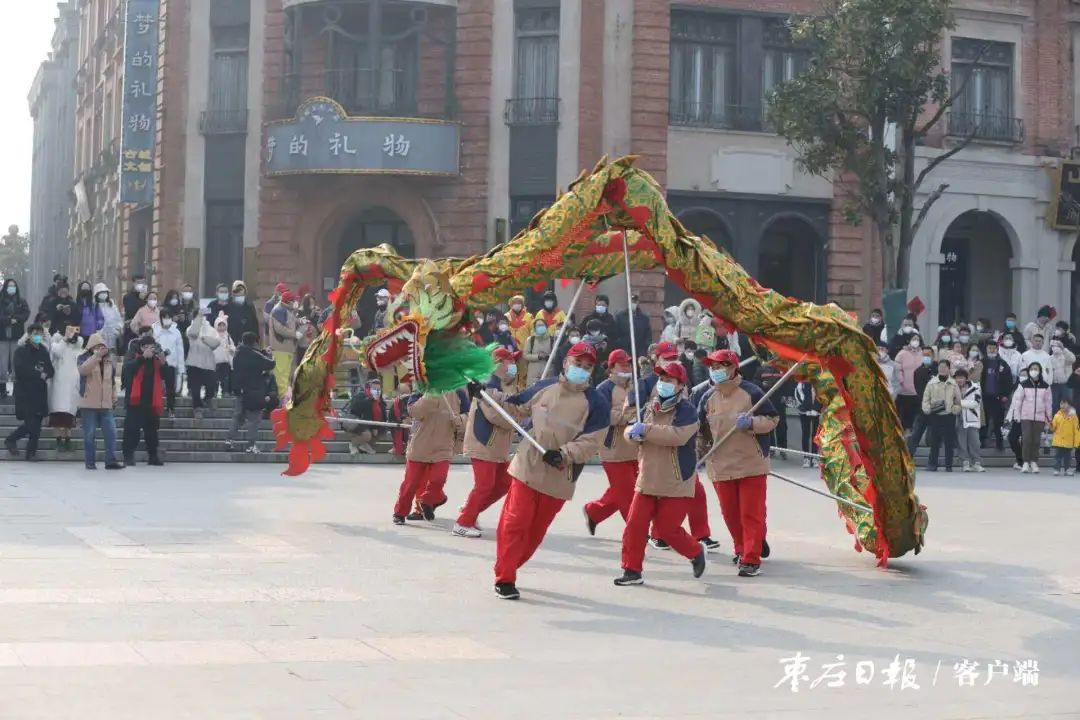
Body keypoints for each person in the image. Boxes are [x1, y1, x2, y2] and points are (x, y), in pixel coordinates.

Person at [480, 341, 609, 599]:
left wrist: (563, 454)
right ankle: (505, 577)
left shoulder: (597, 403)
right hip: (528, 466)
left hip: (561, 475)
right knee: (515, 522)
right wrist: (484, 393)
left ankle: (510, 564)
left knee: (535, 532)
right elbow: (513, 405)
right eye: (577, 363)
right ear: (566, 363)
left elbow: (591, 441)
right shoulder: (544, 387)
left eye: (587, 366)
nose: (581, 369)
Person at [614, 361, 707, 586]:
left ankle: (695, 551)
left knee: (667, 529)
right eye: (661, 379)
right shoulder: (648, 407)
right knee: (635, 526)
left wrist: (645, 431)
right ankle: (631, 570)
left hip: (676, 479)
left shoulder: (687, 410)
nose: (663, 384)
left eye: (669, 380)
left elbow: (677, 436)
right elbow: (631, 428)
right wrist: (631, 434)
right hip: (647, 475)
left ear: (680, 385)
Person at [696, 349, 778, 577]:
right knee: (730, 514)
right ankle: (743, 548)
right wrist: (697, 456)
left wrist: (752, 422)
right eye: (712, 367)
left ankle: (751, 559)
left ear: (733, 368)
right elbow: (701, 432)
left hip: (751, 463)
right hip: (720, 465)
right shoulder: (706, 397)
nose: (716, 371)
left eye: (720, 366)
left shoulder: (752, 392)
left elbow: (772, 419)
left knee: (750, 513)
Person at [454, 347, 521, 537]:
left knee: (505, 483)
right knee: (484, 485)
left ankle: (470, 511)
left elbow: (517, 409)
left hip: (499, 446)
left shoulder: (510, 386)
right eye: (510, 361)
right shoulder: (485, 387)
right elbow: (495, 416)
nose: (514, 366)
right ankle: (462, 523)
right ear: (498, 364)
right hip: (483, 442)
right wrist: (516, 419)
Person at [394, 384, 469, 525]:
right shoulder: (422, 388)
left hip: (444, 446)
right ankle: (400, 512)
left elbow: (468, 414)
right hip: (420, 445)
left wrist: (460, 420)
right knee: (410, 484)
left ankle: (427, 501)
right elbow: (414, 411)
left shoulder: (459, 391)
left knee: (439, 479)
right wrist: (430, 394)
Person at [583, 349, 638, 534]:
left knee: (625, 490)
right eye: (623, 364)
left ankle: (594, 511)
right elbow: (603, 417)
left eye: (629, 364)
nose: (627, 367)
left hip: (635, 447)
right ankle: (636, 530)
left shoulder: (635, 386)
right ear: (612, 367)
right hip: (613, 449)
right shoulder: (603, 389)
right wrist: (626, 415)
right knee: (627, 493)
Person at [5, 324, 54, 461]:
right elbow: (20, 370)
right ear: (29, 334)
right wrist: (38, 373)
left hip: (40, 393)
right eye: (35, 333)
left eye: (40, 333)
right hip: (25, 393)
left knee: (36, 426)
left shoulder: (43, 351)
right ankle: (11, 439)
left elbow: (50, 369)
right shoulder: (21, 351)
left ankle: (31, 453)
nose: (38, 336)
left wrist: (46, 374)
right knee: (30, 424)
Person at [77, 333, 123, 470]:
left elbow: (112, 382)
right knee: (89, 434)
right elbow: (83, 370)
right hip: (89, 403)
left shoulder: (109, 362)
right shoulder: (83, 358)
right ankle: (90, 462)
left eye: (102, 347)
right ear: (91, 347)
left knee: (111, 433)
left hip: (106, 404)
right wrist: (96, 357)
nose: (101, 349)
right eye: (97, 346)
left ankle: (110, 461)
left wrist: (114, 398)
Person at [228, 331, 276, 453]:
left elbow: (255, 355)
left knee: (238, 416)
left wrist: (263, 352)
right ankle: (251, 445)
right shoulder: (254, 355)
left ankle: (229, 440)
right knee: (254, 419)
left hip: (240, 390)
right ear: (254, 342)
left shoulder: (238, 353)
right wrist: (271, 355)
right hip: (253, 391)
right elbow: (270, 364)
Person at [122, 335, 166, 466]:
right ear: (141, 347)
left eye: (151, 347)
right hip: (134, 402)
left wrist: (164, 363)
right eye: (145, 347)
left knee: (152, 432)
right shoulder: (133, 356)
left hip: (151, 401)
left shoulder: (156, 360)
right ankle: (128, 456)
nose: (149, 350)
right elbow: (127, 369)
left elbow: (167, 376)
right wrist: (142, 358)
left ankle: (153, 456)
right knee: (131, 431)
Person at [1007, 361, 1053, 474]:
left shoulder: (1045, 386)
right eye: (1032, 369)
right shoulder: (1023, 385)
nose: (1034, 371)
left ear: (1040, 371)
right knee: (1026, 439)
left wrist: (1049, 419)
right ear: (1029, 371)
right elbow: (1018, 401)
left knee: (1036, 441)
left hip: (1040, 417)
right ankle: (1025, 462)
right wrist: (1017, 415)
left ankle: (1034, 462)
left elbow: (1048, 403)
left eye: (1036, 369)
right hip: (1026, 416)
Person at [47, 323, 84, 452]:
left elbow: (79, 343)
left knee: (69, 415)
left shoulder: (75, 345)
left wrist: (73, 336)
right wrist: (64, 339)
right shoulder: (56, 343)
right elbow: (57, 352)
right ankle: (58, 441)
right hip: (58, 383)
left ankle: (68, 441)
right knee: (57, 414)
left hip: (71, 383)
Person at [921, 359, 960, 472]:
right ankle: (932, 464)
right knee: (934, 441)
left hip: (949, 416)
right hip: (935, 415)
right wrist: (927, 409)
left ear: (949, 369)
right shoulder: (931, 383)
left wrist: (955, 409)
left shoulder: (953, 383)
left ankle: (949, 465)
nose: (942, 369)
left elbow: (958, 400)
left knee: (949, 442)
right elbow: (925, 399)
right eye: (940, 367)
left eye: (945, 367)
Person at [185, 310, 222, 420]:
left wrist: (205, 339)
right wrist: (198, 320)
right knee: (195, 388)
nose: (201, 318)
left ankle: (208, 398)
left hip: (208, 363)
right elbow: (193, 334)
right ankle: (197, 408)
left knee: (211, 385)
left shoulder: (211, 330)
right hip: (193, 363)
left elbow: (216, 343)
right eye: (198, 316)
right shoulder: (190, 328)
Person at [0, 278, 30, 399]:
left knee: (16, 362)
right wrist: (7, 320)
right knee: (2, 363)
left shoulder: (21, 301)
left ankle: (17, 389)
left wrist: (16, 319)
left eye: (13, 286)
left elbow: (26, 313)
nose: (11, 288)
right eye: (9, 286)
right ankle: (2, 390)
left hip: (17, 336)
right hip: (2, 336)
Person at [980, 340, 1013, 451]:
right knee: (983, 421)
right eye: (990, 348)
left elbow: (1009, 381)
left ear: (997, 349)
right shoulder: (981, 363)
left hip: (998, 398)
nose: (992, 350)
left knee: (998, 421)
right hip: (984, 397)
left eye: (994, 348)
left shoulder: (1003, 363)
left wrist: (1005, 395)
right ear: (986, 349)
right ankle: (982, 441)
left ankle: (999, 443)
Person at [269, 290, 301, 396]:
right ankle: (281, 399)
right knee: (281, 375)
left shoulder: (286, 310)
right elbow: (280, 329)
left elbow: (289, 322)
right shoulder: (278, 310)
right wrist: (294, 334)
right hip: (281, 348)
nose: (296, 303)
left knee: (285, 375)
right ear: (288, 302)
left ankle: (284, 398)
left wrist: (300, 321)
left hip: (286, 348)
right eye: (294, 301)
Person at [153, 309, 185, 418]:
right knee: (155, 387)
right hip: (157, 364)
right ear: (161, 318)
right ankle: (154, 408)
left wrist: (181, 369)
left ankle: (171, 409)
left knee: (171, 388)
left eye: (169, 317)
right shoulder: (155, 331)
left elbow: (180, 351)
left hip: (171, 364)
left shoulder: (176, 332)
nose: (167, 320)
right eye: (164, 317)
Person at [345, 376, 387, 455]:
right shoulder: (361, 396)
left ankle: (363, 444)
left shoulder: (380, 401)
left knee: (382, 431)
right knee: (367, 435)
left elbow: (382, 416)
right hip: (354, 423)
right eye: (374, 389)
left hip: (369, 425)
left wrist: (377, 427)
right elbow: (355, 410)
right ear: (369, 389)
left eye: (379, 389)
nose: (377, 391)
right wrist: (369, 401)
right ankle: (353, 444)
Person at [906, 347, 937, 454]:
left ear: (933, 356)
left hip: (937, 408)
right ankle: (909, 457)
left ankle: (933, 461)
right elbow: (918, 389)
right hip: (922, 408)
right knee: (916, 434)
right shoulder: (918, 371)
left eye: (928, 355)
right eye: (924, 355)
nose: (926, 357)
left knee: (934, 436)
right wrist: (924, 405)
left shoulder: (938, 369)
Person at [953, 369, 984, 473]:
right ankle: (965, 462)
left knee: (974, 441)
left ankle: (976, 463)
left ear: (966, 378)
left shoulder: (975, 387)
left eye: (961, 377)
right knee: (961, 442)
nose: (959, 380)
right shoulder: (953, 388)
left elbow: (975, 402)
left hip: (972, 418)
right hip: (959, 418)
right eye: (957, 378)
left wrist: (960, 402)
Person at [794, 380, 821, 468]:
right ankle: (806, 457)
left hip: (816, 412)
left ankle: (814, 457)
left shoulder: (819, 383)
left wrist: (816, 409)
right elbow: (798, 396)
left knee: (815, 435)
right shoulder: (801, 383)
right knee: (805, 434)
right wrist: (806, 409)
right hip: (804, 413)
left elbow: (821, 397)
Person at [615, 292, 652, 356]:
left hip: (640, 352)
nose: (633, 303)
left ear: (638, 303)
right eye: (632, 301)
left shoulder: (644, 318)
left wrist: (645, 349)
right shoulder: (620, 316)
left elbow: (648, 336)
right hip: (624, 350)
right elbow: (616, 334)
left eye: (635, 302)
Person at [1049, 397, 1079, 476]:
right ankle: (1056, 469)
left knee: (1067, 457)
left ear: (1069, 405)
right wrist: (1051, 425)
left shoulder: (1074, 417)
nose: (1062, 405)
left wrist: (1076, 443)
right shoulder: (1057, 415)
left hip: (1069, 441)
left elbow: (1076, 430)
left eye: (1065, 403)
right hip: (1058, 441)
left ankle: (1067, 469)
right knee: (1057, 456)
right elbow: (1053, 428)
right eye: (1061, 403)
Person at [224, 280, 260, 345]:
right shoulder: (227, 305)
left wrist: (256, 340)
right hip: (229, 342)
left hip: (246, 343)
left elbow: (254, 325)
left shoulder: (249, 306)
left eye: (242, 294)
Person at [505, 295, 533, 374]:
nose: (517, 305)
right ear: (511, 304)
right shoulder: (506, 317)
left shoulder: (529, 316)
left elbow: (533, 332)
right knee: (511, 374)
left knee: (523, 374)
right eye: (515, 303)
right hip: (510, 352)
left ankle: (522, 386)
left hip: (524, 351)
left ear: (522, 304)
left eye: (519, 303)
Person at [523, 316, 554, 385]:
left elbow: (555, 354)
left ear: (546, 327)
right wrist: (538, 357)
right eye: (538, 326)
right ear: (535, 328)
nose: (541, 327)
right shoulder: (531, 340)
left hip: (548, 371)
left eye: (542, 325)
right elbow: (525, 355)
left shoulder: (552, 339)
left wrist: (548, 356)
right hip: (533, 373)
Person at [93, 284, 123, 354]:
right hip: (100, 337)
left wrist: (118, 329)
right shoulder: (94, 306)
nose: (104, 294)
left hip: (113, 335)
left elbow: (118, 318)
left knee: (112, 356)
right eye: (101, 292)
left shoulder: (112, 305)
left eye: (105, 292)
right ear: (97, 294)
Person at [1048, 337, 1076, 410]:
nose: (1055, 348)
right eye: (1053, 346)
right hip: (1054, 385)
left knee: (1067, 405)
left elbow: (1073, 359)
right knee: (1054, 405)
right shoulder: (1049, 358)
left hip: (1066, 384)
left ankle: (1068, 421)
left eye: (1057, 346)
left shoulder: (1066, 356)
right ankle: (1055, 420)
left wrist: (1063, 348)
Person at [121, 275, 149, 349]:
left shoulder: (147, 296)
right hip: (132, 331)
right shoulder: (128, 297)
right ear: (133, 283)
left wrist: (144, 299)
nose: (141, 284)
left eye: (143, 282)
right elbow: (131, 312)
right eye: (138, 282)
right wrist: (141, 300)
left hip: (145, 329)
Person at [212, 313, 235, 397]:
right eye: (219, 325)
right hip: (215, 361)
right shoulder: (213, 335)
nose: (221, 327)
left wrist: (231, 348)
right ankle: (214, 391)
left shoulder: (227, 336)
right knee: (215, 378)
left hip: (225, 361)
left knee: (225, 378)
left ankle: (225, 391)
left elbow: (232, 346)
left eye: (223, 325)